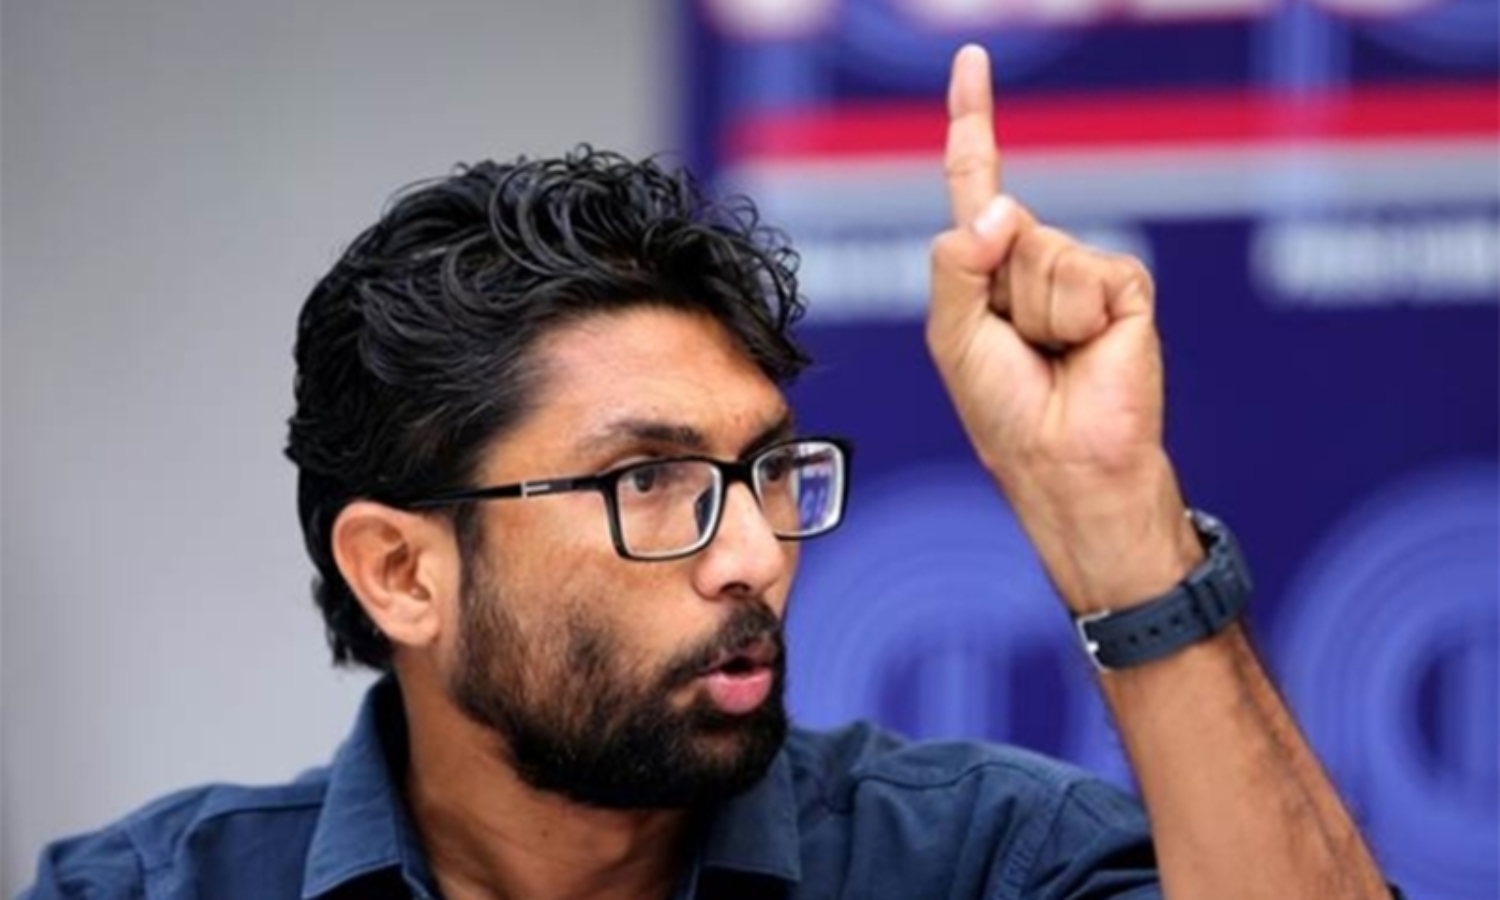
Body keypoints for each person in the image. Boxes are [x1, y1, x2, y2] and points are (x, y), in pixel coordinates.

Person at [18, 46, 1398, 900]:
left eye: (765, 470)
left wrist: (1114, 516)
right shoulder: (145, 891)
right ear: (401, 572)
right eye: (650, 483)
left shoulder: (979, 861)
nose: (754, 556)